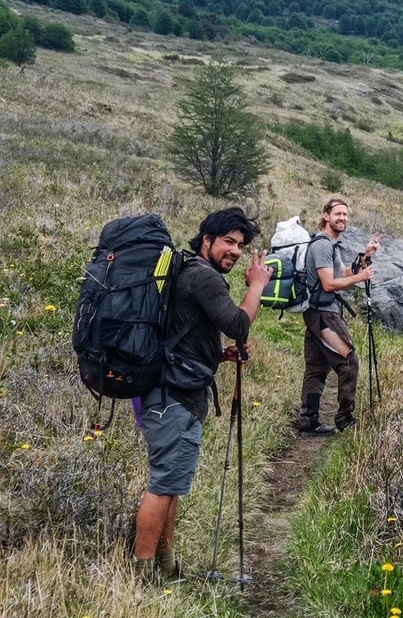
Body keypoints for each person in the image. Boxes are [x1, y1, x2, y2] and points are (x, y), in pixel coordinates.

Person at [132, 207, 272, 583]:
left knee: (172, 483)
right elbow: (238, 324)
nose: (236, 251)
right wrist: (257, 285)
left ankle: (166, 565)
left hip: (174, 392)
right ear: (206, 239)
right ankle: (143, 573)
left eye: (241, 245)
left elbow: (186, 337)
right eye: (229, 241)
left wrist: (220, 355)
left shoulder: (190, 272)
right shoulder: (202, 277)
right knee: (163, 485)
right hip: (173, 397)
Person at [296, 197, 381, 437]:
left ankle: (308, 421)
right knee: (349, 362)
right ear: (326, 216)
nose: (342, 218)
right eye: (338, 214)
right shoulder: (323, 245)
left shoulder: (330, 244)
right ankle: (345, 418)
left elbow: (342, 272)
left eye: (345, 214)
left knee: (316, 368)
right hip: (324, 315)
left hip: (316, 313)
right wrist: (361, 278)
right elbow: (329, 283)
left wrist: (365, 255)